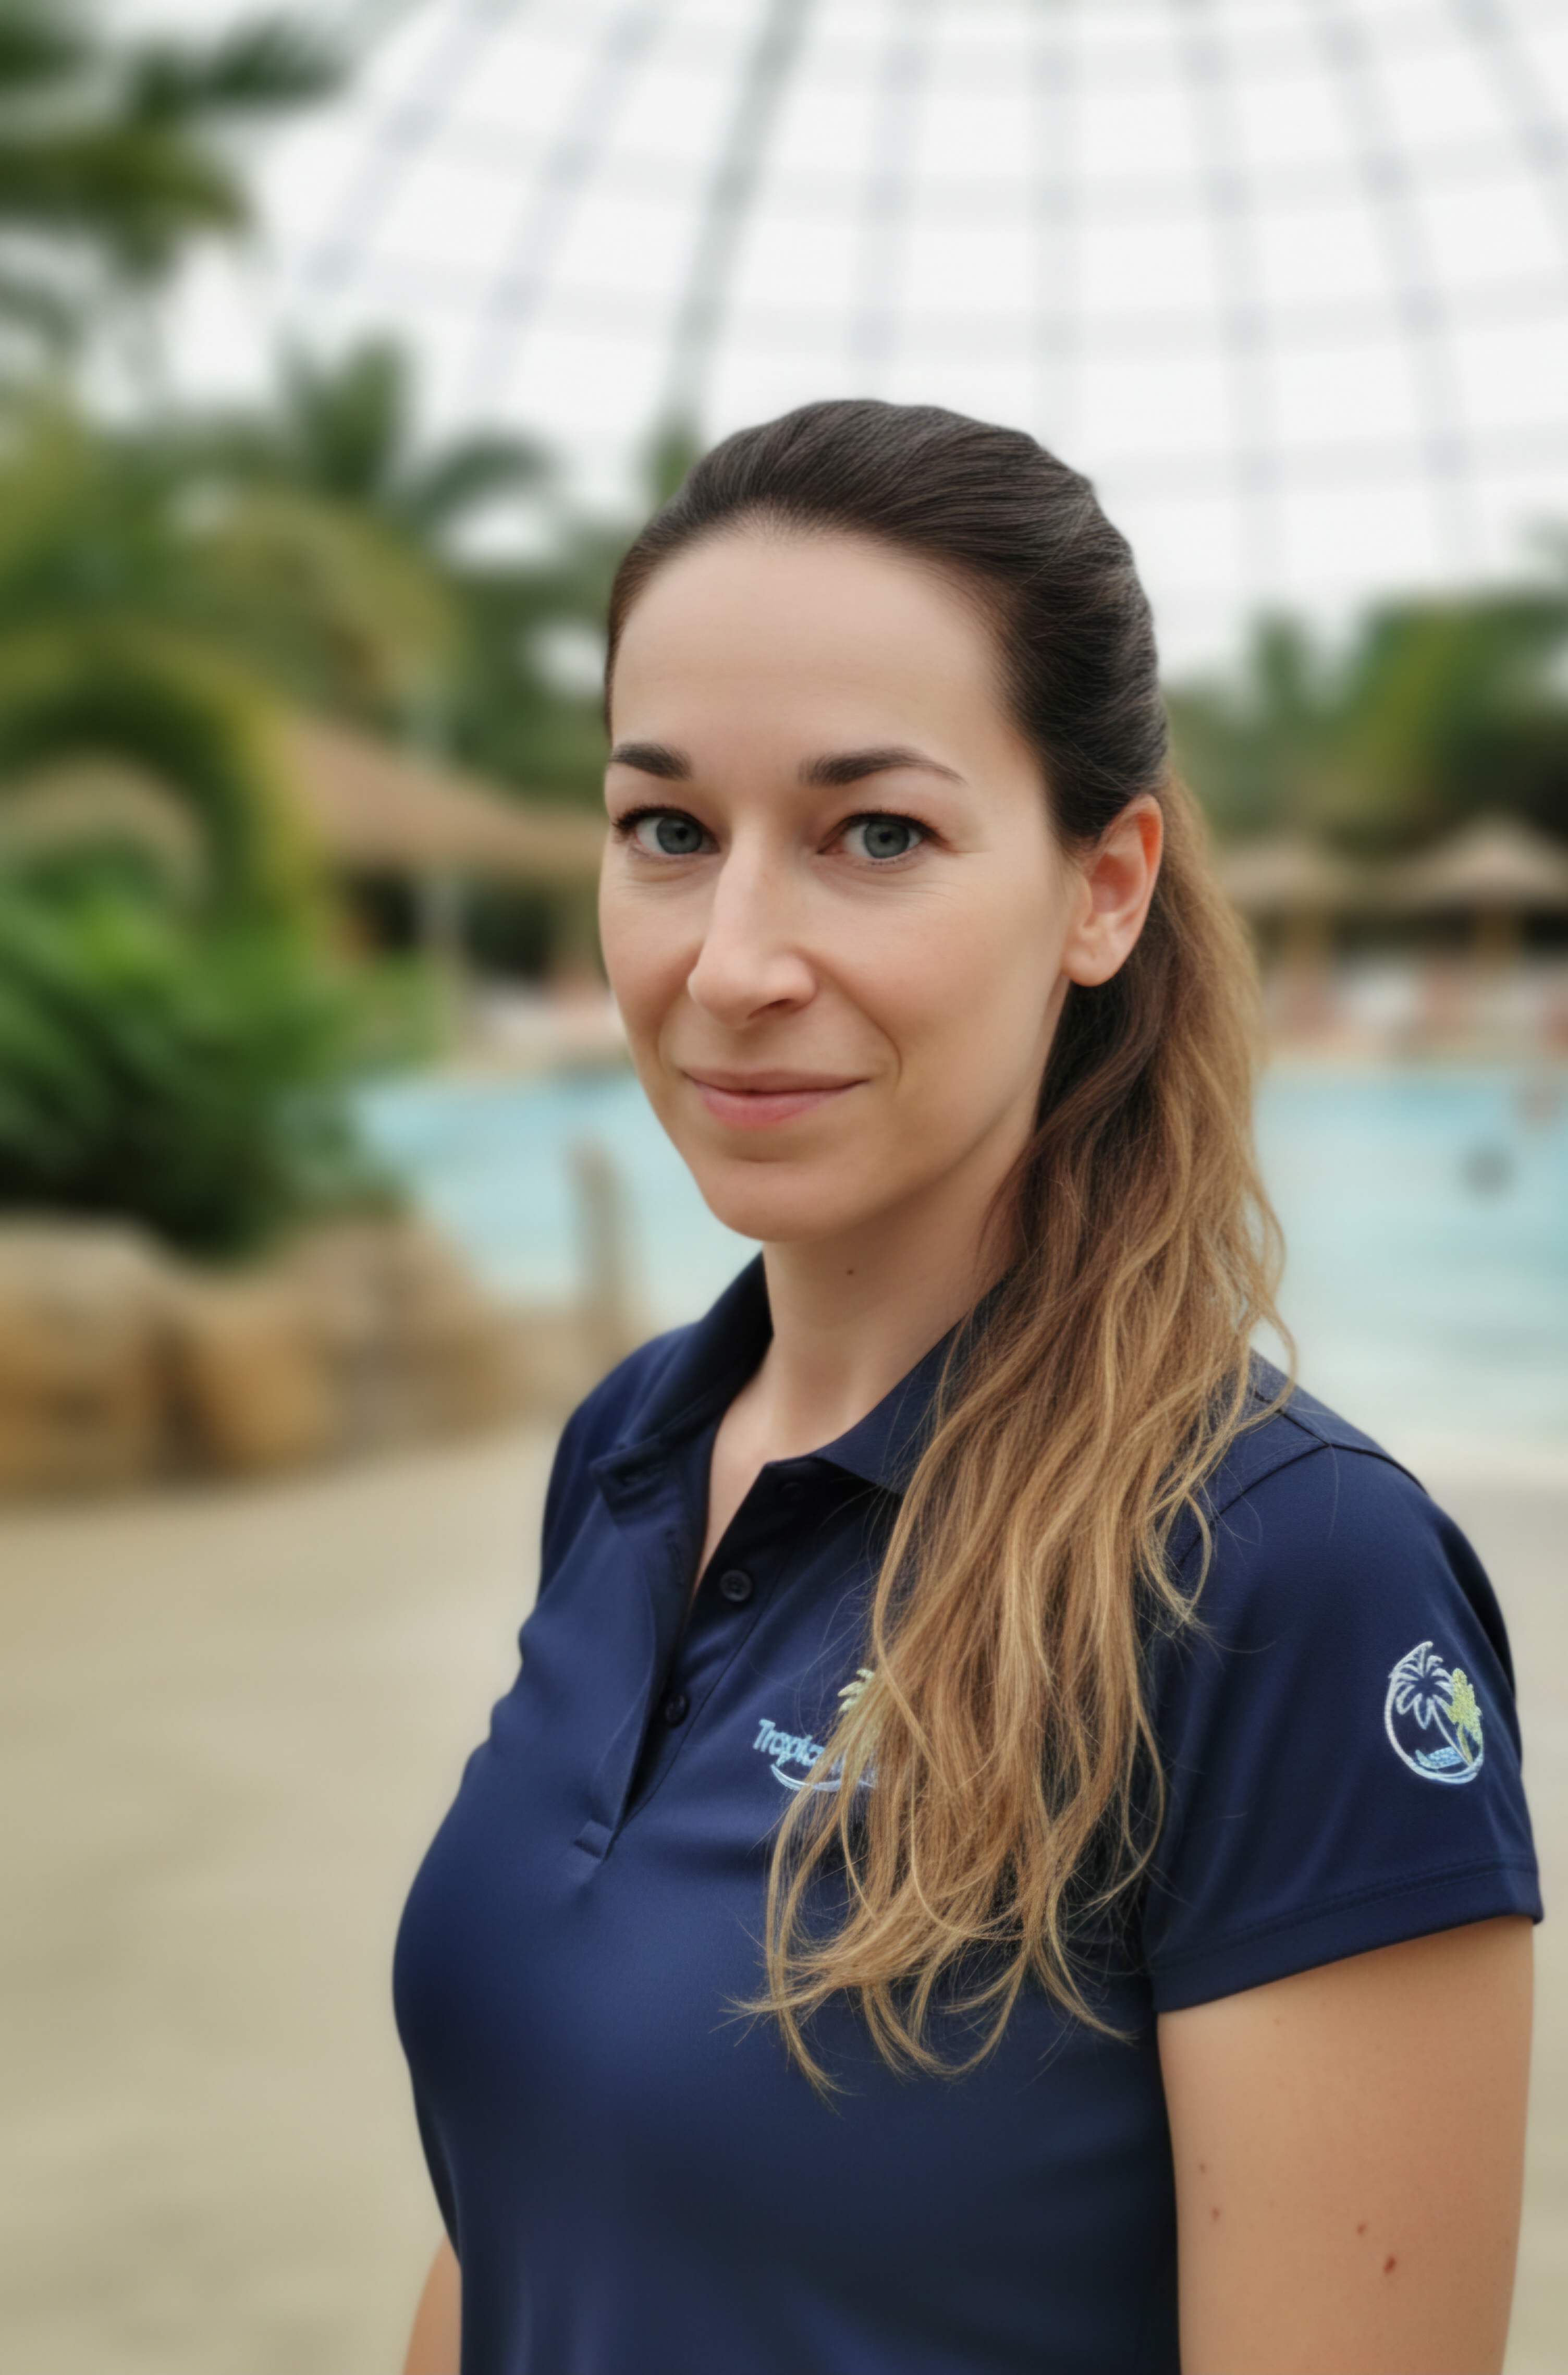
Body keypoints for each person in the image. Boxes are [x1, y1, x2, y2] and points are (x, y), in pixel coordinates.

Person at [395, 400, 1539, 2375]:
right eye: (669, 829)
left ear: (1105, 889)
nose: (733, 961)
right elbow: (526, 2212)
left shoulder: (1279, 1580)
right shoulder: (635, 1450)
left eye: (877, 836)